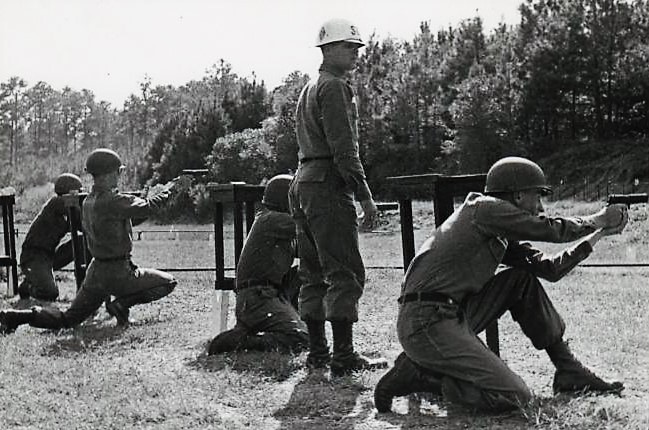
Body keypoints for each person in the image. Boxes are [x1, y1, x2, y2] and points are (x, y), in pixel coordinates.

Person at [373, 156, 629, 413]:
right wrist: (598, 218)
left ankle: (568, 370)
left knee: (520, 280)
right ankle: (423, 376)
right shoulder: (484, 208)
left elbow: (550, 269)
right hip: (426, 321)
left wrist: (599, 234)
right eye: (536, 196)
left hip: (450, 314)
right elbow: (549, 229)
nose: (539, 207)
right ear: (518, 196)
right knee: (517, 397)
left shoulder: (496, 228)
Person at [289, 18, 387, 376]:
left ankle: (318, 354)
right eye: (349, 47)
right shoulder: (334, 87)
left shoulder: (309, 87)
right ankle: (343, 357)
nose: (356, 53)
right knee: (344, 271)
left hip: (303, 182)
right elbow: (344, 148)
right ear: (328, 50)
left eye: (357, 47)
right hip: (327, 185)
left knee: (312, 272)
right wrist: (365, 196)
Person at [0, 148, 177, 333]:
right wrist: (170, 191)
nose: (119, 175)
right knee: (168, 282)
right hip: (118, 271)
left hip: (95, 273)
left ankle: (16, 316)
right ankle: (121, 304)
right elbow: (147, 208)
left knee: (68, 318)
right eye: (119, 171)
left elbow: (129, 211)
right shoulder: (112, 201)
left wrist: (149, 196)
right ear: (109, 174)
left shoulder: (88, 201)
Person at [207, 174, 309, 354]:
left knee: (307, 271)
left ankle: (270, 324)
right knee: (300, 340)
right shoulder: (273, 220)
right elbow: (311, 228)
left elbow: (307, 250)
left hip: (261, 295)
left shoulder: (271, 221)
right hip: (259, 297)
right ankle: (243, 341)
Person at [17, 173, 83, 301]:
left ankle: (84, 287)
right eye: (77, 192)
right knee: (50, 293)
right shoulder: (56, 203)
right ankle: (27, 287)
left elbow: (84, 226)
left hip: (49, 255)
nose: (79, 195)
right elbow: (80, 215)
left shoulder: (67, 208)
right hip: (33, 256)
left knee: (81, 242)